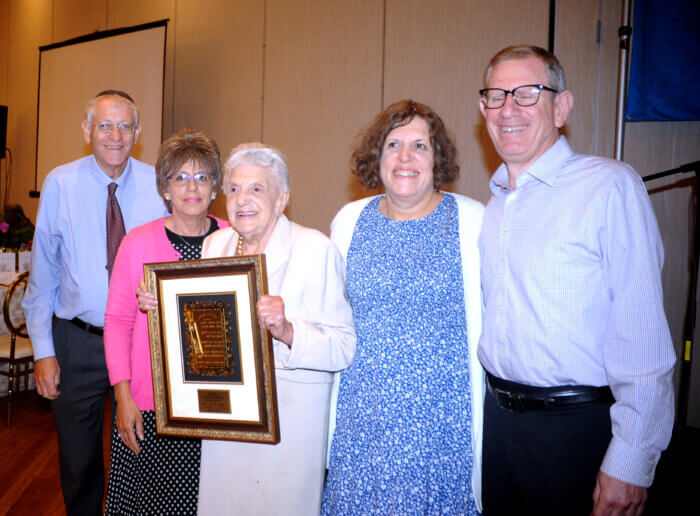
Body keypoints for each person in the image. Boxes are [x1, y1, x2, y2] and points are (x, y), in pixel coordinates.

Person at [476, 45, 676, 515]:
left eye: (527, 93)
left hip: (578, 432)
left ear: (561, 107)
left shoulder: (609, 187)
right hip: (498, 429)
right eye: (495, 95)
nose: (508, 109)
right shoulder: (493, 207)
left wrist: (630, 462)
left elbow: (642, 337)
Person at [139, 142, 356, 515]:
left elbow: (343, 346)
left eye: (257, 189)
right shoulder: (215, 244)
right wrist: (163, 309)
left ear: (281, 198)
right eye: (234, 189)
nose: (242, 199)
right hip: (227, 421)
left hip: (287, 427)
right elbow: (204, 333)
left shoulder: (315, 249)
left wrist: (288, 330)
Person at [322, 99, 485, 514]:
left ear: (438, 158)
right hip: (362, 422)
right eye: (394, 144)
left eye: (420, 145)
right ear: (377, 156)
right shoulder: (348, 221)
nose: (406, 157)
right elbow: (326, 309)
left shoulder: (472, 221)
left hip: (442, 429)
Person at [22, 90, 168, 515]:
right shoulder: (60, 184)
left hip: (141, 341)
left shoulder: (160, 185)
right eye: (105, 125)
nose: (115, 135)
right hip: (78, 342)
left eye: (125, 126)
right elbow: (43, 276)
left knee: (142, 451)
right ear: (87, 130)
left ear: (138, 132)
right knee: (80, 462)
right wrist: (44, 352)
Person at [103, 128, 227, 514]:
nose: (192, 187)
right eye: (179, 177)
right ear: (165, 189)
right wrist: (122, 399)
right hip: (150, 402)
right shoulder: (137, 242)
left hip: (216, 403)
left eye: (202, 177)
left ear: (215, 187)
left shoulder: (232, 239)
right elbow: (117, 324)